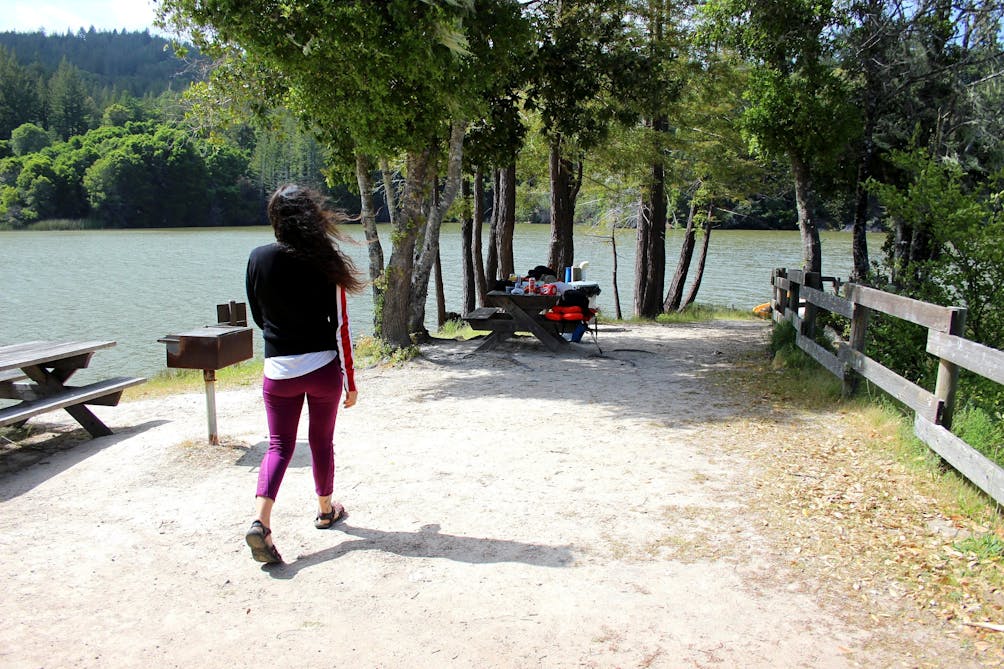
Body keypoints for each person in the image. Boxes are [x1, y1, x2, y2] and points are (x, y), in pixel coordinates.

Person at [243, 184, 364, 564]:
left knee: (279, 446)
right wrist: (351, 382)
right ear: (313, 217)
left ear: (276, 219)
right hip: (323, 369)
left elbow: (258, 316)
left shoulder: (258, 258)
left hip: (278, 371)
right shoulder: (325, 260)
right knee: (320, 441)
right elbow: (342, 325)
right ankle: (326, 510)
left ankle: (261, 522)